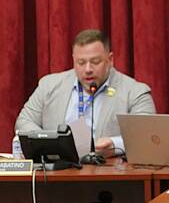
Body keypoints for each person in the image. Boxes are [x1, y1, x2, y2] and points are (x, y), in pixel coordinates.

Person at [15, 29, 156, 156]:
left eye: (95, 61)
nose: (88, 69)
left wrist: (114, 144)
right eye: (81, 62)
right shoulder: (49, 85)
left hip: (108, 174)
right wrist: (50, 143)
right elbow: (24, 121)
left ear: (110, 60)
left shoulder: (135, 92)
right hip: (57, 172)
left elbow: (147, 136)